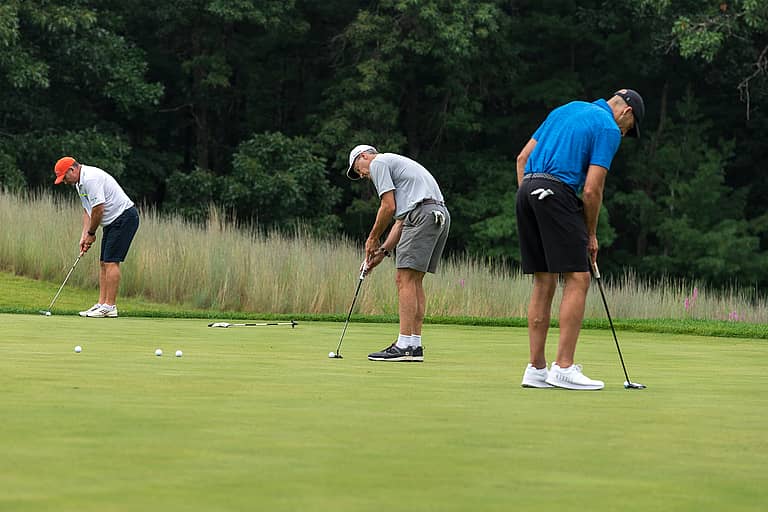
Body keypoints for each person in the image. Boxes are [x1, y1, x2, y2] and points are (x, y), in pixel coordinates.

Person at [515, 88, 645, 390]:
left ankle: (535, 369)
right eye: (630, 129)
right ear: (626, 113)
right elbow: (591, 190)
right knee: (578, 277)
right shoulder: (608, 127)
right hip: (556, 193)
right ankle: (563, 367)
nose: (625, 135)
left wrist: (531, 199)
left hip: (527, 191)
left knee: (544, 280)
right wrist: (590, 234)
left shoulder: (566, 108)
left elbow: (522, 158)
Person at [346, 145, 451, 362]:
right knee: (414, 281)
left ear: (364, 156)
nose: (363, 175)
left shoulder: (379, 163)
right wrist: (381, 254)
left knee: (403, 279)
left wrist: (372, 237)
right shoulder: (400, 170)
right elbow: (401, 221)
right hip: (437, 214)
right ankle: (413, 345)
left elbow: (388, 206)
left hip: (422, 215)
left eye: (359, 169)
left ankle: (403, 345)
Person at [53, 156, 140, 318]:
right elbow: (88, 211)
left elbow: (98, 209)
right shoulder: (79, 184)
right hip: (112, 222)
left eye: (64, 177)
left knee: (111, 262)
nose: (64, 181)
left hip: (124, 217)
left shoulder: (91, 178)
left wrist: (92, 234)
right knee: (103, 263)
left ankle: (110, 306)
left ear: (72, 170)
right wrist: (84, 236)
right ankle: (101, 303)